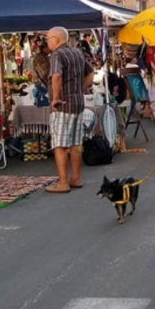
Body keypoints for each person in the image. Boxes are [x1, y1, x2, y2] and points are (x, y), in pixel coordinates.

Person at [44, 27, 95, 194]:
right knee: (75, 143)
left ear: (56, 40)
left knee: (59, 144)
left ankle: (63, 182)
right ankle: (76, 178)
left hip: (63, 105)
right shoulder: (77, 53)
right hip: (77, 103)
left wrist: (56, 97)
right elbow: (91, 73)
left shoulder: (57, 55)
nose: (47, 42)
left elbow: (56, 76)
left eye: (48, 39)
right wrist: (80, 88)